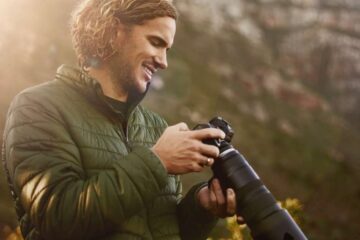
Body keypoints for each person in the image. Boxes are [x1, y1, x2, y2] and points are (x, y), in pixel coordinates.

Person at [2, 0, 240, 239]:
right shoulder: (37, 107)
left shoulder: (156, 127)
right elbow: (57, 219)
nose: (163, 62)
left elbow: (161, 228)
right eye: (156, 42)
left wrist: (201, 208)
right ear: (114, 32)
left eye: (167, 50)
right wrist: (157, 161)